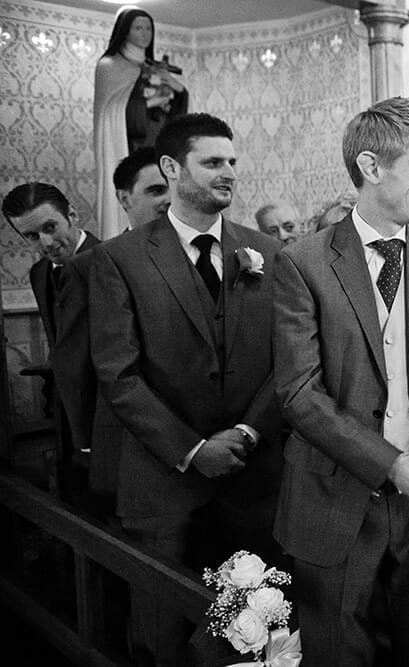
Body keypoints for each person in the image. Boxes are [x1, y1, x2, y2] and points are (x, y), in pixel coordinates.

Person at [271, 97, 409, 666]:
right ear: (371, 168)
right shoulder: (303, 263)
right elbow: (298, 393)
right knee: (337, 653)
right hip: (332, 497)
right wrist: (390, 464)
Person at [89, 113, 282, 666]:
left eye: (232, 162)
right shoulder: (118, 259)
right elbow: (117, 374)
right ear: (173, 168)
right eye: (213, 162)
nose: (228, 174)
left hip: (252, 478)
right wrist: (194, 450)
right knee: (163, 634)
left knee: (253, 630)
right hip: (163, 480)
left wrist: (246, 432)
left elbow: (286, 360)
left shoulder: (264, 251)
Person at [54, 150, 167, 500]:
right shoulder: (89, 266)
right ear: (123, 197)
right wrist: (84, 443)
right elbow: (75, 365)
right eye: (154, 190)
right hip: (125, 434)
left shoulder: (203, 255)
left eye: (171, 190)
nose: (167, 200)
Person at [3, 183, 101, 497]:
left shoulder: (110, 261)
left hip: (109, 413)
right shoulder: (39, 273)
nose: (46, 243)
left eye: (50, 227)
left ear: (71, 214)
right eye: (31, 236)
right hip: (65, 411)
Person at [94, 7, 188, 240]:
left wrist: (178, 91)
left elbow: (178, 114)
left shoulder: (154, 66)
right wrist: (151, 102)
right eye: (138, 27)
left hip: (158, 142)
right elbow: (111, 112)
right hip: (130, 146)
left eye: (148, 27)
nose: (144, 33)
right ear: (124, 30)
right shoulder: (110, 65)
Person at [114, 147, 170, 230]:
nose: (171, 200)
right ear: (124, 199)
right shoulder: (116, 243)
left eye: (178, 191)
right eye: (158, 191)